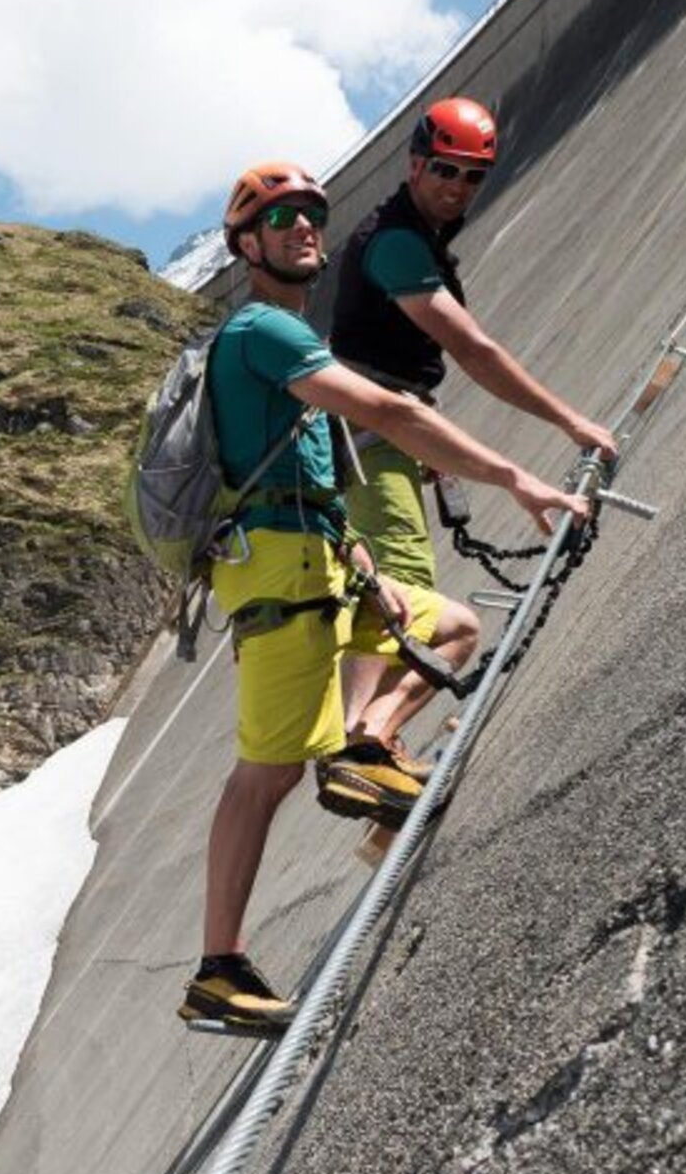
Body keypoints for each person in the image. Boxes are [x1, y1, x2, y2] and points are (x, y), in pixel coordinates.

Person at [181, 161, 588, 1033]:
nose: (302, 229)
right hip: (283, 580)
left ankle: (365, 748)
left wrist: (358, 552)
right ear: (247, 245)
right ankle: (218, 969)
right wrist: (515, 472)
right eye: (280, 219)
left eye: (309, 217)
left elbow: (309, 466)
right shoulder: (265, 331)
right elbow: (388, 413)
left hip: (321, 563)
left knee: (452, 624)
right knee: (265, 774)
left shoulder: (284, 337)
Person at [330, 97, 618, 775]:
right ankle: (362, 743)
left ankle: (365, 738)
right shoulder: (398, 243)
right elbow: (474, 351)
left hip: (380, 427)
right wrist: (570, 422)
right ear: (414, 164)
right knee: (405, 590)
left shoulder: (406, 235)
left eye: (470, 176)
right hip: (374, 427)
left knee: (395, 588)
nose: (456, 187)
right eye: (445, 170)